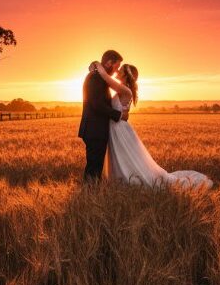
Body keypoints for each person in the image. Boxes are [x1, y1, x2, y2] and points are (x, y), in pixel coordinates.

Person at [89, 61, 213, 189]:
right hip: (116, 128)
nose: (117, 71)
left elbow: (106, 78)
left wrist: (97, 64)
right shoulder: (123, 89)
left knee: (125, 156)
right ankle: (121, 180)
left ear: (126, 76)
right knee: (122, 157)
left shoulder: (125, 90)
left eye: (120, 70)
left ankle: (129, 181)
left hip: (119, 129)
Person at [78, 50, 128, 181]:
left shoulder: (99, 76)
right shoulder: (95, 78)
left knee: (95, 166)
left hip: (95, 129)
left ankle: (91, 192)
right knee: (94, 166)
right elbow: (97, 104)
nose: (116, 71)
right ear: (109, 63)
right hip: (94, 129)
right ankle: (89, 193)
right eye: (116, 66)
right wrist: (119, 115)